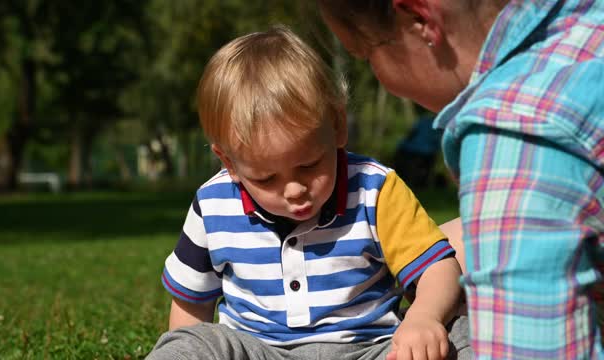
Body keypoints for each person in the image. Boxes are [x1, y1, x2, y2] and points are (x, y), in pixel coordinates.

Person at [146, 26, 469, 360]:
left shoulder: (375, 190)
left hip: (370, 349)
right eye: (267, 178)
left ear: (338, 127)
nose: (294, 189)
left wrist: (422, 318)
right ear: (229, 162)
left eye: (310, 165)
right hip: (258, 351)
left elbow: (438, 268)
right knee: (191, 345)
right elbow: (190, 305)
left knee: (462, 338)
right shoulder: (213, 205)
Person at [317, 0, 604, 358]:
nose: (382, 81)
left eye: (365, 56)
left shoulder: (515, 135)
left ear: (421, 19)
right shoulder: (586, 23)